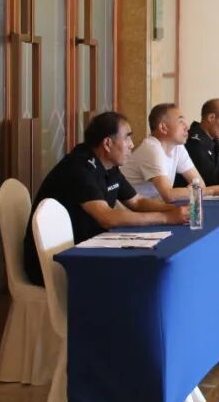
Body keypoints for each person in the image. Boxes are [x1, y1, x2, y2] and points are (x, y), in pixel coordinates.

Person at [22, 111, 188, 286]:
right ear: (108, 143)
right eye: (127, 138)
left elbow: (137, 202)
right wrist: (166, 218)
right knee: (140, 274)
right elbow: (107, 217)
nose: (132, 145)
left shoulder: (109, 165)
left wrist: (176, 211)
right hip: (55, 263)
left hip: (84, 248)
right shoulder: (79, 168)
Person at [120, 103, 219, 202]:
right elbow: (169, 195)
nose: (187, 126)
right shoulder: (151, 149)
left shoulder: (178, 147)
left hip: (153, 208)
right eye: (180, 121)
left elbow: (199, 184)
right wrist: (213, 190)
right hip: (130, 211)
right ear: (163, 128)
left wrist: (192, 191)